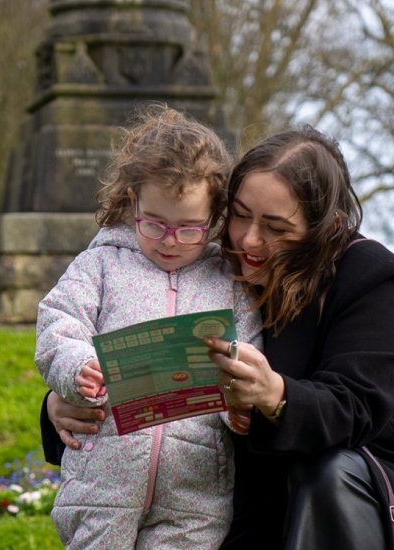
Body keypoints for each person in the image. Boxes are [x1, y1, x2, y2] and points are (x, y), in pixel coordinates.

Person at [42, 126, 394, 549]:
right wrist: (61, 403)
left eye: (276, 228)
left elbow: (359, 404)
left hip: (372, 490)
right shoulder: (208, 265)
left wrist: (278, 395)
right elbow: (140, 347)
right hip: (253, 500)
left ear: (324, 228)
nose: (250, 239)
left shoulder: (367, 275)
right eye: (239, 216)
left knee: (325, 471)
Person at [35, 105, 262, 549]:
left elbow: (247, 354)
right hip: (103, 481)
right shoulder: (101, 263)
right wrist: (78, 366)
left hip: (195, 492)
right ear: (132, 198)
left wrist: (238, 407)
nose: (170, 240)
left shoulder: (227, 282)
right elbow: (58, 321)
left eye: (189, 229)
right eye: (154, 223)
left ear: (215, 217)